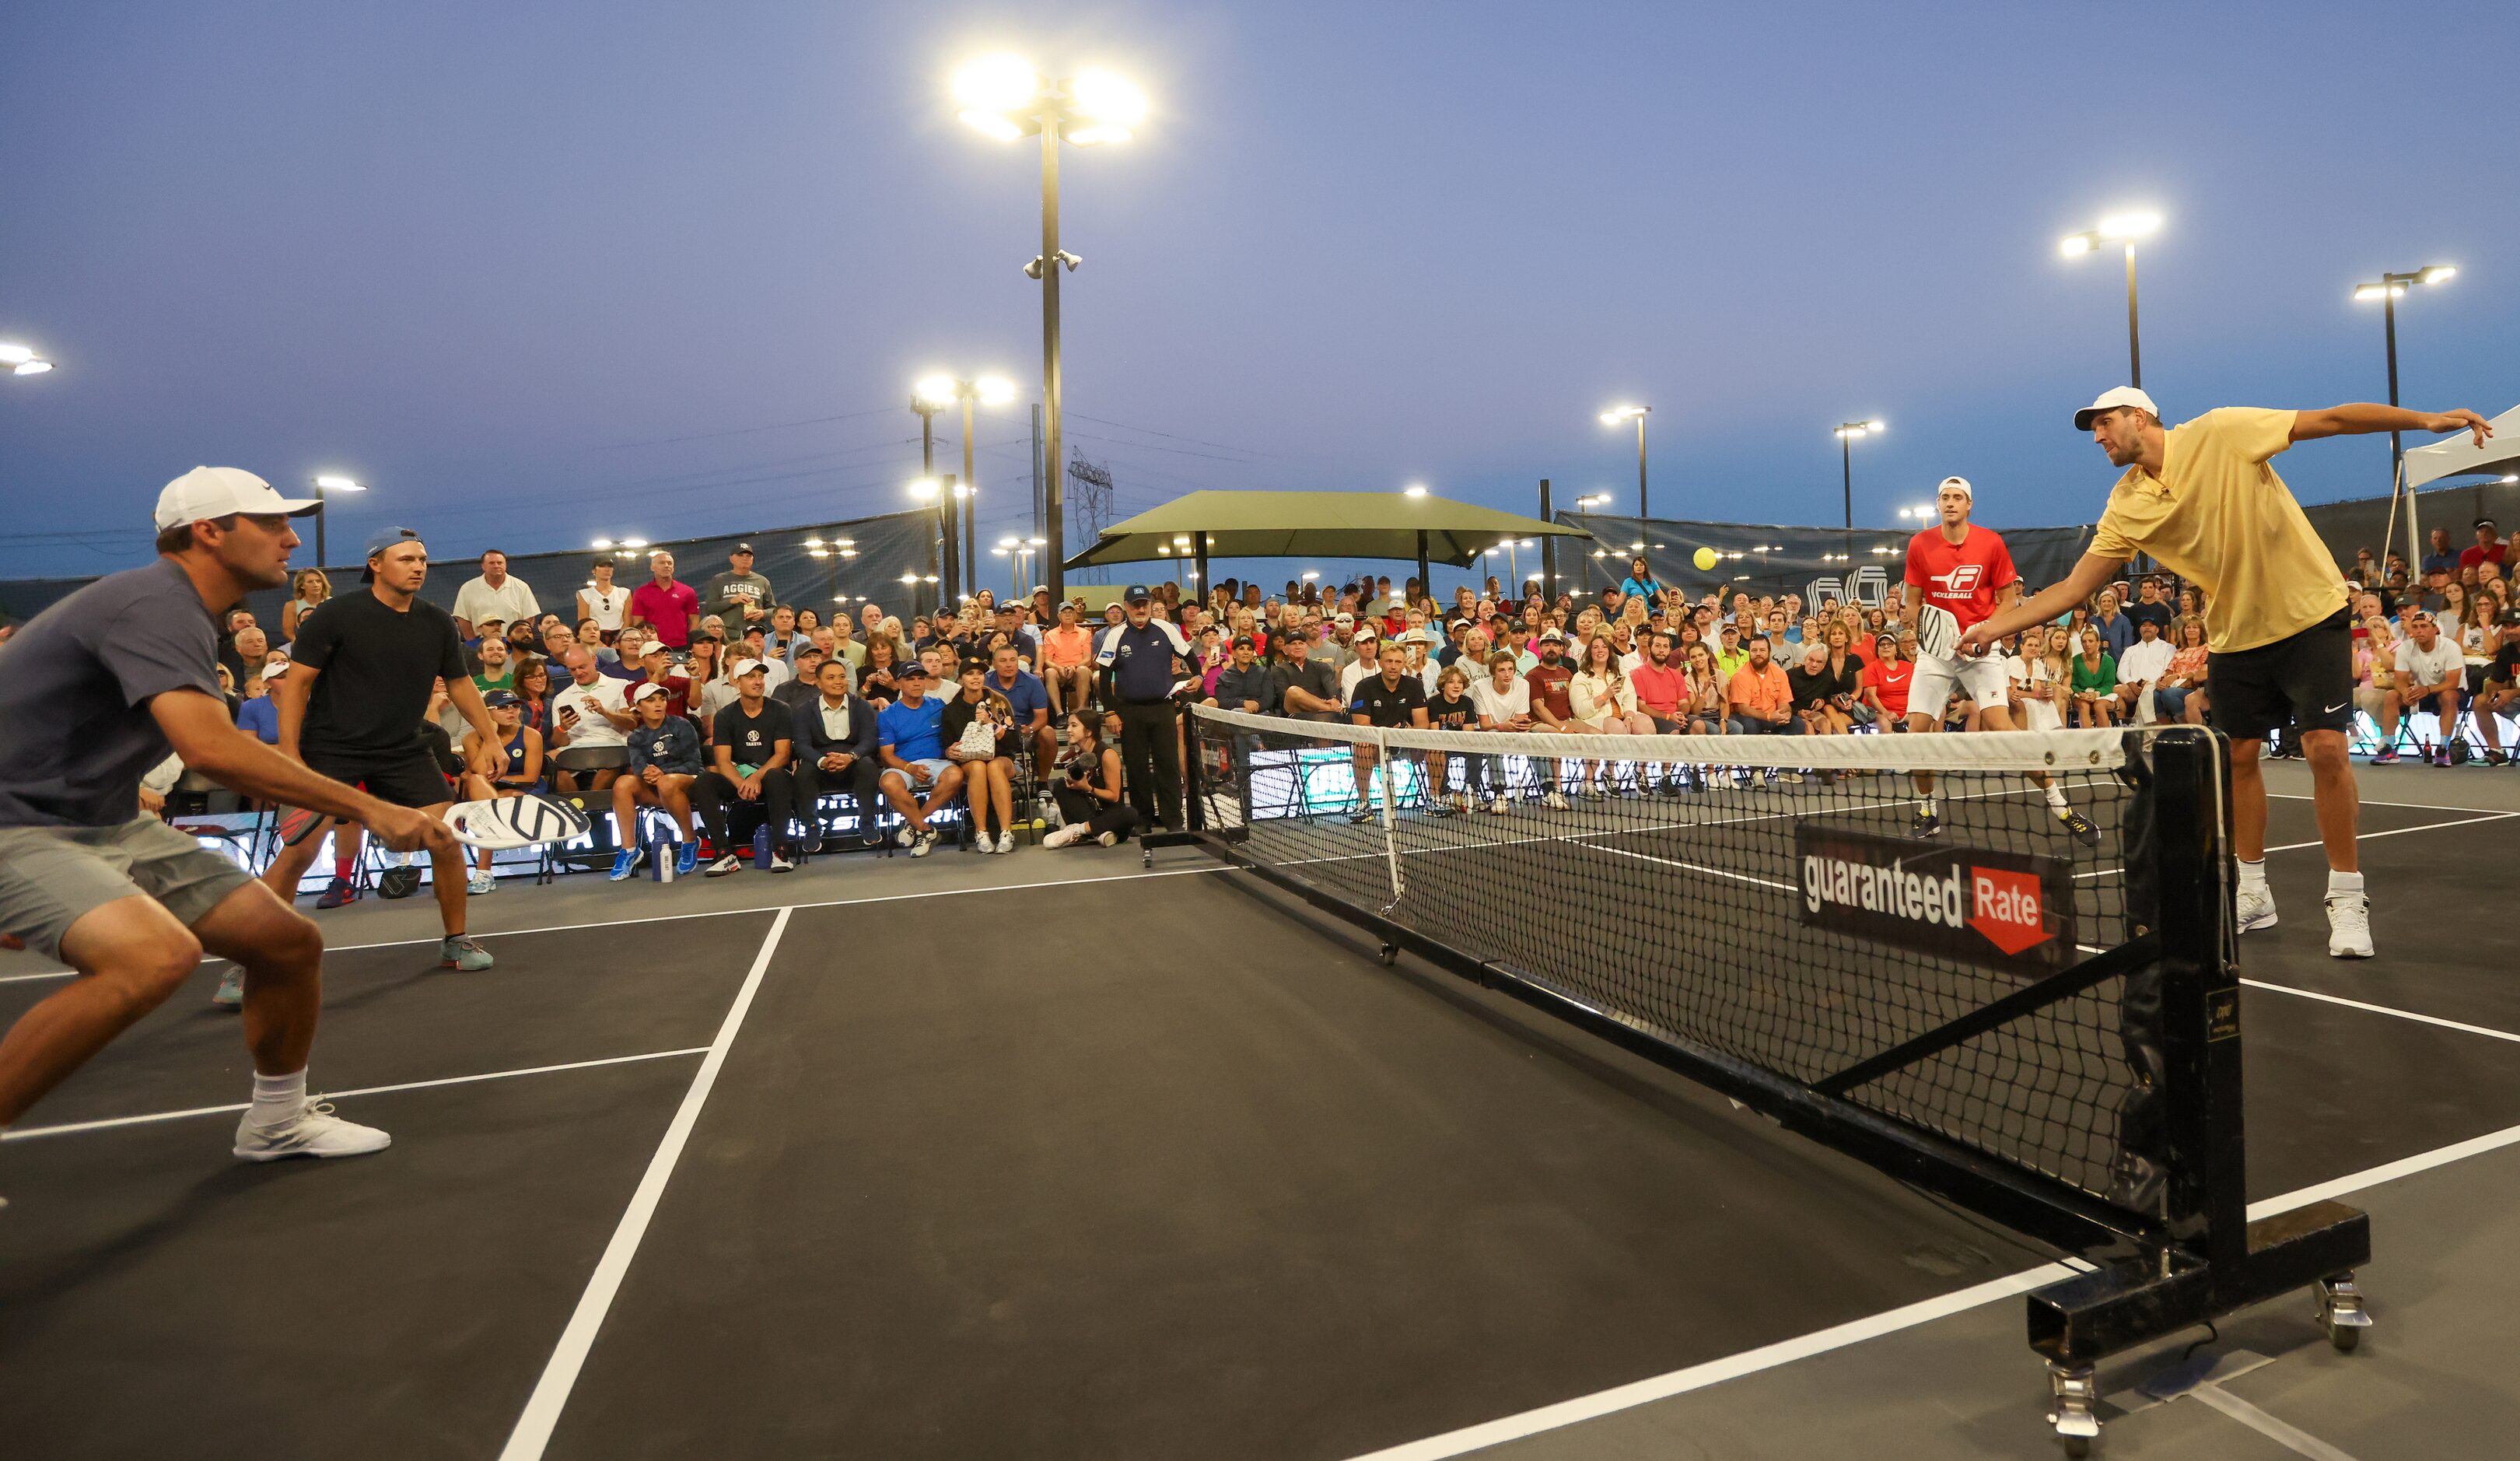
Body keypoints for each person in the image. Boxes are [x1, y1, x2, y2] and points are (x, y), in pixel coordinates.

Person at [0, 467, 464, 1173]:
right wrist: (372, 807)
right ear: (210, 533)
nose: (290, 540)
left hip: (100, 819)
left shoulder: (185, 613)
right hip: (16, 825)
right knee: (151, 957)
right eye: (272, 524)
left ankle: (277, 1124)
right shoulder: (153, 604)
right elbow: (211, 751)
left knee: (283, 942)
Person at [1964, 390, 2493, 958]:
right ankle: (2255, 892)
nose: (2099, 437)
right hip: (2237, 637)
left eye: (2106, 424)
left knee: (2325, 750)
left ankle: (2346, 897)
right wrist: (1995, 628)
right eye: (2094, 430)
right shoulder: (2126, 506)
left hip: (2310, 614)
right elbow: (2073, 589)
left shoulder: (2221, 432)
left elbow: (2332, 418)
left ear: (2140, 418)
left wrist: (2425, 419)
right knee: (2237, 758)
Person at [262, 526, 500, 976]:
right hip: (330, 751)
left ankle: (456, 940)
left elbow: (460, 682)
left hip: (403, 749)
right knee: (297, 852)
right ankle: (251, 960)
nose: (418, 568)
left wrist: (488, 736)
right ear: (375, 564)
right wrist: (290, 754)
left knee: (446, 841)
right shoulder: (335, 615)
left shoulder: (435, 622)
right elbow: (297, 685)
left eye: (423, 560)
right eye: (406, 559)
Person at [1896, 475, 2098, 839]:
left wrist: (1989, 634)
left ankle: (2061, 807)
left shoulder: (1991, 543)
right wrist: (1926, 634)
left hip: (1981, 649)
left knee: (2004, 730)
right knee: (1916, 733)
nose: (1951, 502)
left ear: (1969, 504)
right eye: (1945, 497)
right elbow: (1912, 600)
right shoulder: (1919, 544)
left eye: (1958, 497)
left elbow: (2007, 601)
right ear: (1938, 504)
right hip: (1936, 655)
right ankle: (1927, 809)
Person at [1095, 583, 1195, 833]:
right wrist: (1110, 711)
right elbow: (1104, 678)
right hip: (1130, 710)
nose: (1140, 609)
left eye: (1144, 604)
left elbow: (1190, 655)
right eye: (1135, 605)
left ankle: (1173, 820)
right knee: (1137, 766)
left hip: (1162, 708)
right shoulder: (1115, 635)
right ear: (1127, 606)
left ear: (1150, 605)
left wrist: (1200, 676)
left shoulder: (1166, 629)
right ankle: (1143, 820)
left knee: (1168, 765)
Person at [696, 659, 797, 874]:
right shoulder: (725, 715)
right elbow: (723, 760)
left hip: (771, 775)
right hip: (739, 777)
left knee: (777, 777)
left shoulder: (781, 710)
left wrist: (756, 778)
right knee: (704, 781)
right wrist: (742, 783)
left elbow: (782, 755)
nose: (758, 681)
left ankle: (780, 850)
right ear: (736, 682)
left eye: (761, 677)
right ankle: (724, 853)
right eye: (751, 677)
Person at [609, 683, 705, 878]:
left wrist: (662, 772)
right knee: (622, 783)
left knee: (667, 782)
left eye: (662, 699)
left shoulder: (681, 724)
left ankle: (690, 840)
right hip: (658, 786)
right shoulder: (636, 737)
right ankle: (629, 849)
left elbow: (694, 764)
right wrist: (649, 773)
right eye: (651, 700)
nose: (658, 704)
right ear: (638, 706)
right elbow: (639, 768)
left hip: (689, 783)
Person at [454, 690, 542, 895]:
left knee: (483, 806)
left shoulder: (531, 736)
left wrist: (499, 780)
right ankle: (484, 872)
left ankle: (483, 873)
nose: (511, 711)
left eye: (515, 706)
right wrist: (490, 738)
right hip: (488, 792)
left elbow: (530, 777)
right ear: (487, 713)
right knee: (478, 785)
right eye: (503, 707)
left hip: (520, 790)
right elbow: (478, 772)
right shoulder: (472, 739)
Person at [791, 657, 883, 852]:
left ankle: (867, 823)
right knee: (803, 773)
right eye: (831, 677)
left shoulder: (861, 707)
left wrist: (851, 756)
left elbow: (870, 739)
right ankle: (812, 827)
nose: (838, 682)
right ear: (818, 683)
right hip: (820, 763)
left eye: (842, 677)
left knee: (868, 766)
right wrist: (822, 761)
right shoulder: (804, 710)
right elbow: (801, 745)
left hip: (854, 760)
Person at [875, 660, 962, 857]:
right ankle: (926, 830)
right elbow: (887, 756)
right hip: (903, 765)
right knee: (888, 782)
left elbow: (952, 735)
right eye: (910, 679)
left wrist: (952, 748)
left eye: (920, 679)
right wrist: (910, 769)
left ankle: (915, 824)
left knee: (956, 776)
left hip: (937, 762)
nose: (917, 683)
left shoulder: (939, 706)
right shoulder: (888, 715)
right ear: (899, 684)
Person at [1347, 639, 1430, 822]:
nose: (1393, 666)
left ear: (1403, 664)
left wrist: (1407, 734)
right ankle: (1363, 803)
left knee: (1435, 745)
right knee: (1361, 745)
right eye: (1389, 661)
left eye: (1398, 662)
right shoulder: (1364, 687)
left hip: (1407, 742)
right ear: (1380, 663)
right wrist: (1387, 734)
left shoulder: (1414, 686)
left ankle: (1435, 799)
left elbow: (1423, 723)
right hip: (1376, 742)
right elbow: (1361, 726)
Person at [941, 664, 1020, 854]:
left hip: (1002, 758)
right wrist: (949, 752)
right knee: (977, 767)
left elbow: (1013, 743)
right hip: (970, 761)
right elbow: (948, 745)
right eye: (970, 674)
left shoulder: (998, 702)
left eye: (980, 674)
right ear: (961, 679)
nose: (976, 678)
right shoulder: (951, 709)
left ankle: (1006, 832)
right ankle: (981, 832)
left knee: (993, 767)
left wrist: (991, 723)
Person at [1040, 712, 1138, 848]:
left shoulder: (1108, 755)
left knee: (1130, 814)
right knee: (1060, 784)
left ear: (1089, 732)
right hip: (1090, 812)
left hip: (1110, 814)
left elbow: (1114, 797)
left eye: (1074, 726)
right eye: (1068, 726)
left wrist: (1088, 788)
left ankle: (1077, 830)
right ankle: (1099, 834)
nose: (1068, 730)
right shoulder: (1079, 755)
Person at [548, 646, 635, 793]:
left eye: (582, 667)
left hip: (611, 745)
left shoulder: (621, 685)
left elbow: (632, 723)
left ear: (593, 660)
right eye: (573, 669)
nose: (578, 673)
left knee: (612, 761)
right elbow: (559, 743)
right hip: (576, 748)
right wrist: (563, 728)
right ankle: (575, 806)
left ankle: (591, 802)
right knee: (550, 759)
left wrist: (604, 712)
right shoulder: (561, 698)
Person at [2390, 611, 2464, 766]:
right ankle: (2388, 748)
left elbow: (2453, 682)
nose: (2418, 631)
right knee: (2391, 696)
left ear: (2435, 629)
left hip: (2452, 691)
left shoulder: (2450, 647)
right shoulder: (2406, 647)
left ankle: (2443, 748)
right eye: (2415, 627)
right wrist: (2405, 692)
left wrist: (2428, 689)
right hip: (2422, 691)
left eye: (2424, 626)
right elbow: (2399, 680)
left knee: (2448, 696)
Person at [450, 550, 539, 643]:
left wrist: (519, 641)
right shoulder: (467, 588)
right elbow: (463, 618)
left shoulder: (521, 587)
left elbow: (529, 617)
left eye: (500, 563)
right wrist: (473, 644)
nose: (496, 566)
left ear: (505, 565)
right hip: (480, 644)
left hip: (514, 645)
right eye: (492, 563)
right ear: (483, 566)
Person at [627, 549, 700, 653]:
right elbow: (638, 623)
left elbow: (694, 620)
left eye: (670, 563)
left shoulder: (688, 591)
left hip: (681, 647)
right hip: (652, 647)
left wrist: (692, 643)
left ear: (673, 568)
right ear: (652, 567)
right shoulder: (641, 593)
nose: (667, 566)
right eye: (662, 563)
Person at [2113, 616, 2175, 723]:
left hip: (2156, 687)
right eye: (2144, 626)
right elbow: (2121, 671)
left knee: (2153, 693)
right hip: (2135, 688)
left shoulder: (2168, 648)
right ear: (2139, 630)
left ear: (2157, 629)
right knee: (2116, 690)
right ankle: (2121, 729)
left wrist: (2152, 684)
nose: (2147, 628)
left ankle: (2154, 731)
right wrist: (2131, 684)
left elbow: (2168, 669)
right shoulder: (2131, 650)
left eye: (2150, 626)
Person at [1272, 631, 1345, 722]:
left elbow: (1331, 685)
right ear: (1285, 650)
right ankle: (1331, 709)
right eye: (1293, 644)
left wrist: (1334, 698)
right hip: (1295, 710)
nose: (1298, 646)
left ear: (1307, 648)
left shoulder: (1320, 666)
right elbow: (1284, 695)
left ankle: (1329, 709)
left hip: (1321, 713)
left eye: (1301, 643)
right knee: (1293, 691)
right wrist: (1322, 703)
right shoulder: (1279, 670)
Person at [702, 542, 776, 630]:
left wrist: (763, 613)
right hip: (727, 633)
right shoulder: (719, 580)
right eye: (740, 555)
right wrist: (732, 601)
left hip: (755, 632)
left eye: (748, 555)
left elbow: (774, 610)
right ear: (731, 559)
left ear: (753, 559)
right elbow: (709, 609)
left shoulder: (762, 581)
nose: (745, 558)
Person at [578, 557, 631, 642]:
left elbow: (628, 622)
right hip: (595, 638)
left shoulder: (624, 592)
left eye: (610, 566)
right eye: (602, 566)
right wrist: (599, 644)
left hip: (620, 638)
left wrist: (618, 642)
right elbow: (583, 623)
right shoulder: (584, 594)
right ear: (594, 571)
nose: (607, 569)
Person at [280, 567, 332, 643]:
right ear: (302, 585)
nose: (316, 585)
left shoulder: (332, 602)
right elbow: (288, 632)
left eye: (319, 581)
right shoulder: (291, 606)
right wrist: (299, 643)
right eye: (310, 582)